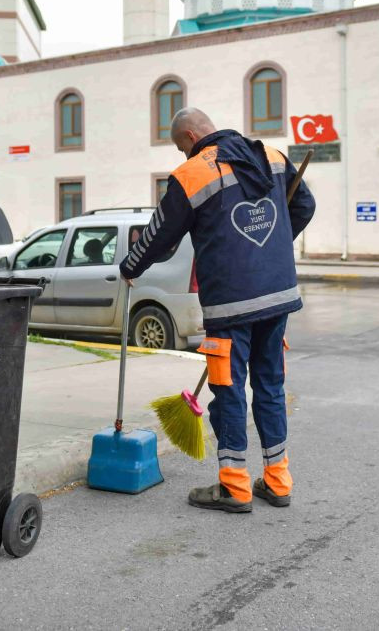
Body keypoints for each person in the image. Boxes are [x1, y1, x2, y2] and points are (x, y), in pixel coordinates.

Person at [120, 107, 315, 513]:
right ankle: (278, 482)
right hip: (277, 298)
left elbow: (160, 235)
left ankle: (234, 487)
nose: (182, 156)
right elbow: (305, 205)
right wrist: (270, 251)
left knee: (228, 392)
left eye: (180, 148)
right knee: (270, 388)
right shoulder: (273, 157)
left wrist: (130, 266)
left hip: (230, 305)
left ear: (191, 136)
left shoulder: (193, 174)